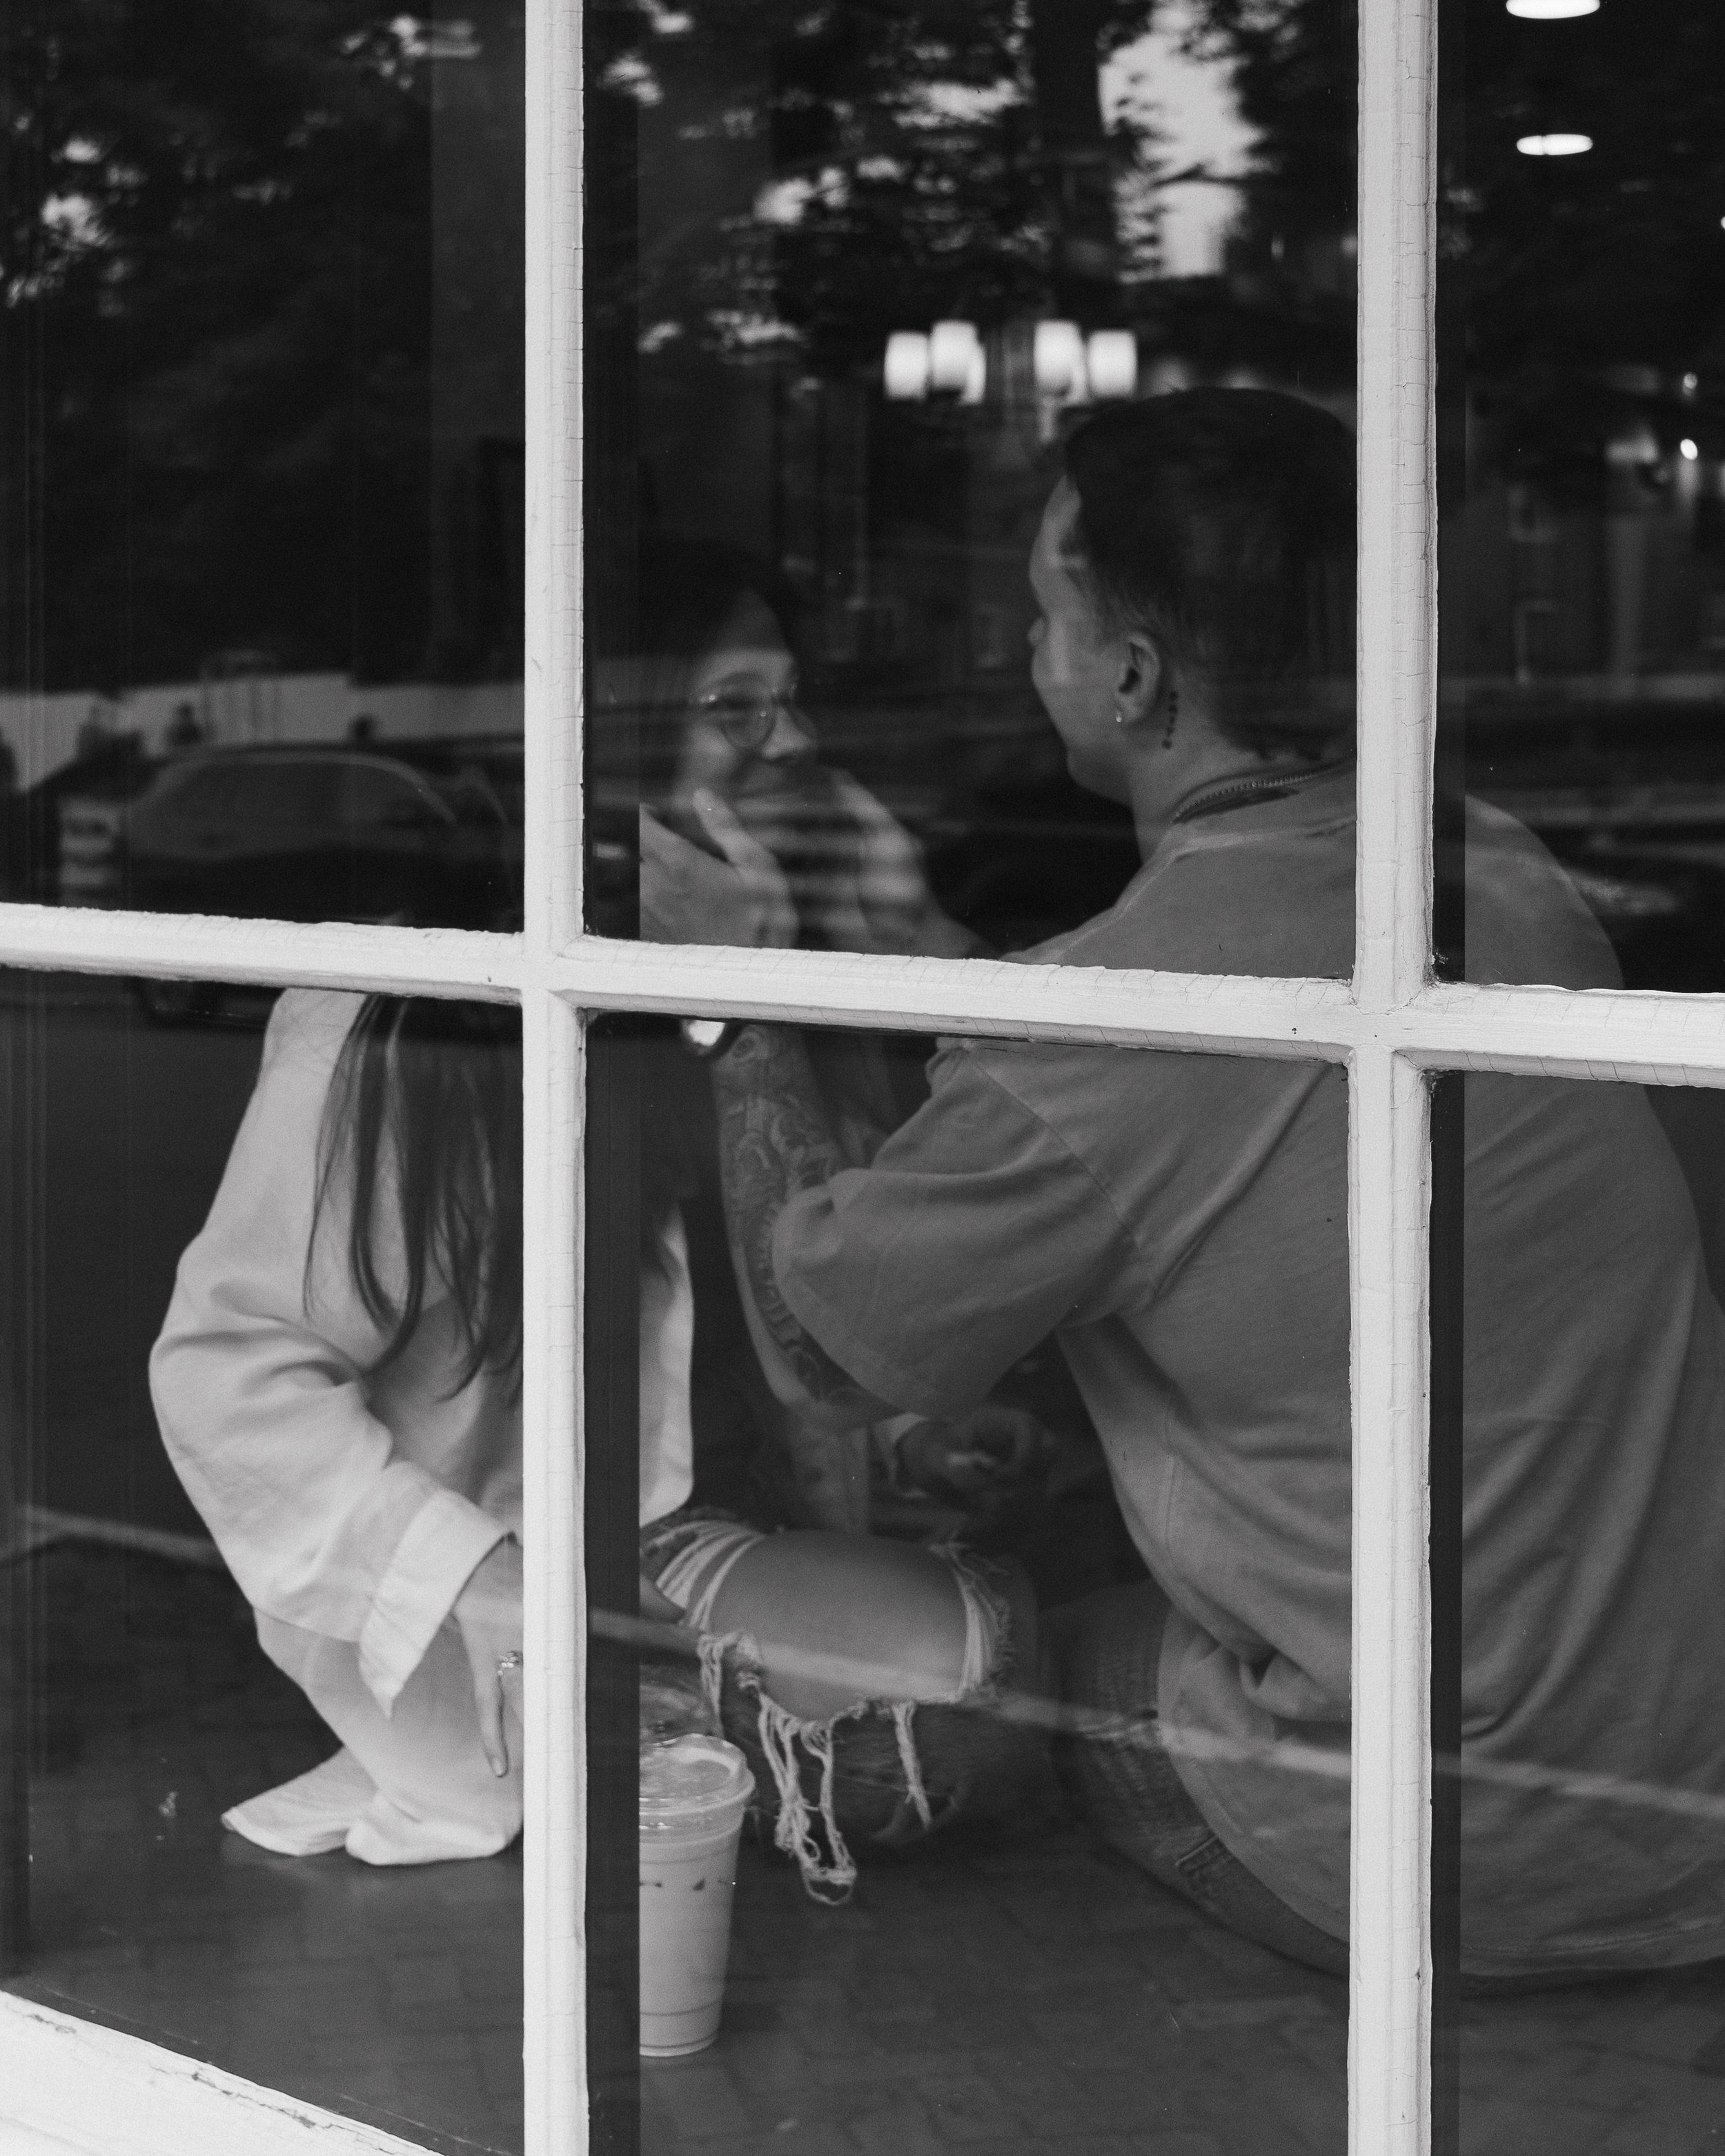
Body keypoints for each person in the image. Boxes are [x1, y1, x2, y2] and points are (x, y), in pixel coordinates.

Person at [640, 388, 1725, 1985]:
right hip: (1682, 1776)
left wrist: (728, 1002)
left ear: (1133, 675)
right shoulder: (1483, 863)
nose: (1021, 649)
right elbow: (1181, 1134)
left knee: (965, 1670)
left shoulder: (1120, 1025)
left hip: (1462, 1856)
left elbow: (822, 1355)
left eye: (1038, 613)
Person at [150, 546, 1046, 1874]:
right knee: (946, 1713)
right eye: (739, 708)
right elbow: (226, 1375)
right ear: (613, 748)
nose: (793, 741)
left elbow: (792, 1284)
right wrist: (480, 1587)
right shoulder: (404, 1018)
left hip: (704, 1529)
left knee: (1015, 1641)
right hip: (528, 1561)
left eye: (795, 702)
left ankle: (663, 1723)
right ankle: (613, 1726)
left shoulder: (784, 967)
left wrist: (910, 1430)